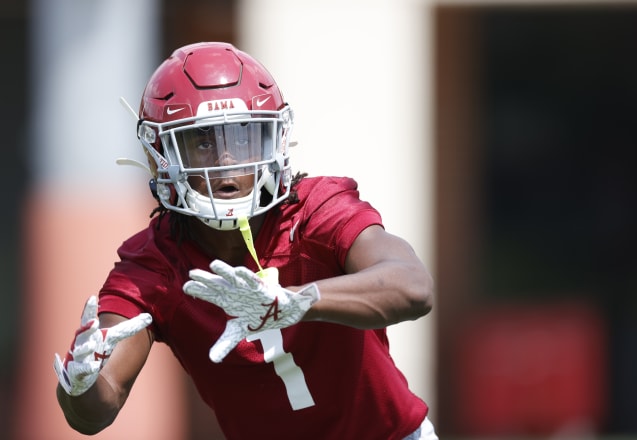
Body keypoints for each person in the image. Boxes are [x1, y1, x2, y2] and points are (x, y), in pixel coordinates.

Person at [54, 41, 437, 440]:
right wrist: (81, 388)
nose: (226, 161)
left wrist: (298, 301)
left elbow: (414, 287)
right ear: (160, 154)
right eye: (203, 142)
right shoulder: (155, 264)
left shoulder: (315, 211)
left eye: (242, 138)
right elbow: (98, 407)